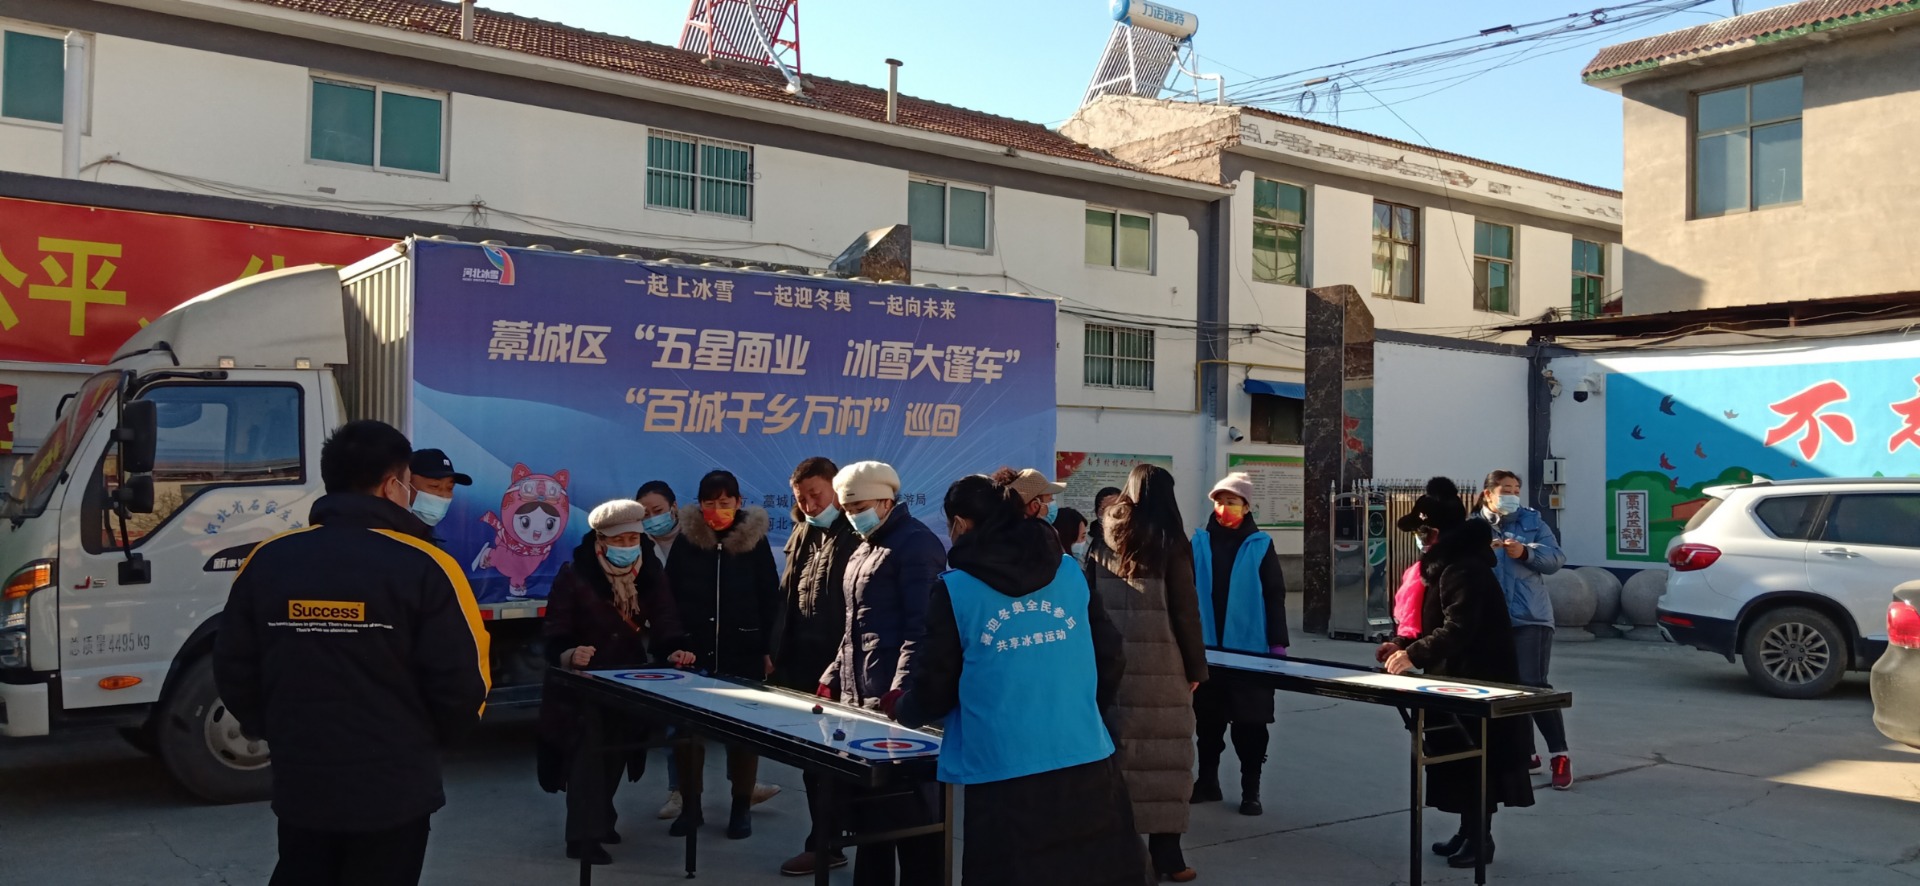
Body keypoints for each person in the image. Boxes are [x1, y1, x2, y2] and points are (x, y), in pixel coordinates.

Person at [213, 420, 488, 886]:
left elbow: (234, 667)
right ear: (392, 486)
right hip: (395, 786)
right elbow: (463, 685)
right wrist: (422, 746)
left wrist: (277, 729)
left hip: (302, 779)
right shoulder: (428, 565)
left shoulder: (269, 558)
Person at [890, 473, 1149, 886]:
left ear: (961, 524)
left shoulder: (957, 590)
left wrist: (904, 709)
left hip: (1002, 768)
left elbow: (936, 684)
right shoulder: (1068, 571)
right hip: (1082, 754)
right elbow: (1110, 654)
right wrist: (1079, 709)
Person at [1378, 477, 1534, 870]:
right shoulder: (1445, 566)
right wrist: (1401, 644)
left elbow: (1458, 628)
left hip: (1477, 679)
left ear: (1440, 532)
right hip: (1452, 678)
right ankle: (1467, 831)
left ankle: (1481, 839)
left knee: (1478, 762)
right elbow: (1431, 621)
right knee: (1460, 762)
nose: (1420, 540)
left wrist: (1412, 654)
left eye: (1424, 532)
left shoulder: (1464, 568)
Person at [538, 500, 695, 866]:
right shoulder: (575, 574)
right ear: (601, 540)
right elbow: (555, 629)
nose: (627, 546)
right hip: (583, 685)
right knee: (587, 759)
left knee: (617, 753)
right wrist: (570, 653)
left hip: (627, 678)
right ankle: (582, 838)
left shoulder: (649, 569)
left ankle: (602, 819)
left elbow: (665, 617)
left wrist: (674, 648)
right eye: (619, 540)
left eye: (633, 539)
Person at [822, 460, 948, 885]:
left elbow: (922, 628)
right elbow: (855, 626)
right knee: (872, 819)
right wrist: (834, 674)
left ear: (886, 501)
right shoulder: (865, 546)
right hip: (861, 702)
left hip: (899, 707)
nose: (852, 516)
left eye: (859, 507)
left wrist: (902, 691)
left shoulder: (917, 546)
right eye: (847, 509)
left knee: (914, 819)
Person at [1083, 464, 1208, 882]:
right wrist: (1195, 667)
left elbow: (1088, 600)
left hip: (1111, 664)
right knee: (1168, 758)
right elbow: (1186, 612)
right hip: (1163, 665)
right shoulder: (1170, 541)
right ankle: (1168, 856)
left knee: (1122, 755)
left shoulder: (1101, 538)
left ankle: (1121, 854)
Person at [665, 470, 783, 840]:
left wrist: (768, 649)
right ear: (699, 505)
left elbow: (769, 597)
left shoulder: (753, 542)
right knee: (687, 733)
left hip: (742, 651)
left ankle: (741, 807)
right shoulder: (687, 541)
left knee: (743, 735)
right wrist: (674, 644)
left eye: (724, 502)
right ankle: (692, 808)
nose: (717, 510)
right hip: (692, 653)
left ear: (738, 502)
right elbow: (669, 597)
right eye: (709, 503)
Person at [773, 457, 857, 877]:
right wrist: (775, 651)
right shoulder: (802, 531)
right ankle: (825, 841)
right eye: (801, 497)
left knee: (842, 760)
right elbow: (787, 596)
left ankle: (830, 841)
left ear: (837, 492)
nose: (809, 505)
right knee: (813, 760)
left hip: (842, 667)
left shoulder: (856, 535)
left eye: (815, 495)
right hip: (804, 667)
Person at [1189, 472, 1291, 817]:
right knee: (1208, 721)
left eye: (1231, 501)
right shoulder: (1199, 542)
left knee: (1250, 724)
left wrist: (1277, 644)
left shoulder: (1260, 544)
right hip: (1208, 648)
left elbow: (1275, 594)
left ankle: (1251, 789)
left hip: (1250, 651)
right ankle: (1208, 781)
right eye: (1219, 501)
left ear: (1246, 507)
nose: (1223, 508)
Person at [1474, 469, 1572, 789]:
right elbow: (1455, 562)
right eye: (1506, 489)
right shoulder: (1473, 526)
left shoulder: (1532, 521)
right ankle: (1526, 753)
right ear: (1488, 493)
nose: (1512, 495)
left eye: (1516, 489)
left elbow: (1555, 559)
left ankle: (1559, 755)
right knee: (1505, 687)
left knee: (1532, 684)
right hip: (1491, 619)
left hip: (1530, 616)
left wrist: (1526, 552)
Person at [406, 448, 471, 532]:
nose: (444, 495)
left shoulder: (432, 538)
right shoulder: (390, 532)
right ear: (406, 482)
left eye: (450, 488)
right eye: (435, 486)